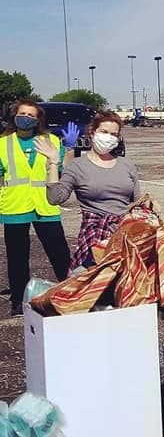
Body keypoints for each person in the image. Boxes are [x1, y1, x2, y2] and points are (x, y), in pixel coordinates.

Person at [39, 110, 141, 271]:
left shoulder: (126, 165)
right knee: (96, 286)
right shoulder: (77, 166)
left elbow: (137, 203)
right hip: (95, 235)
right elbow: (55, 198)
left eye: (114, 134)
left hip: (125, 234)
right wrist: (52, 162)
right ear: (92, 133)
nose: (108, 137)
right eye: (104, 132)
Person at [0, 100, 73, 315]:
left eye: (31, 115)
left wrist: (68, 148)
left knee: (60, 255)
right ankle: (18, 302)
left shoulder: (50, 140)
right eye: (22, 113)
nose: (26, 117)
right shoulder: (3, 144)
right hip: (15, 206)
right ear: (14, 116)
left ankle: (71, 295)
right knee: (17, 258)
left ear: (38, 119)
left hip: (46, 206)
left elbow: (63, 171)